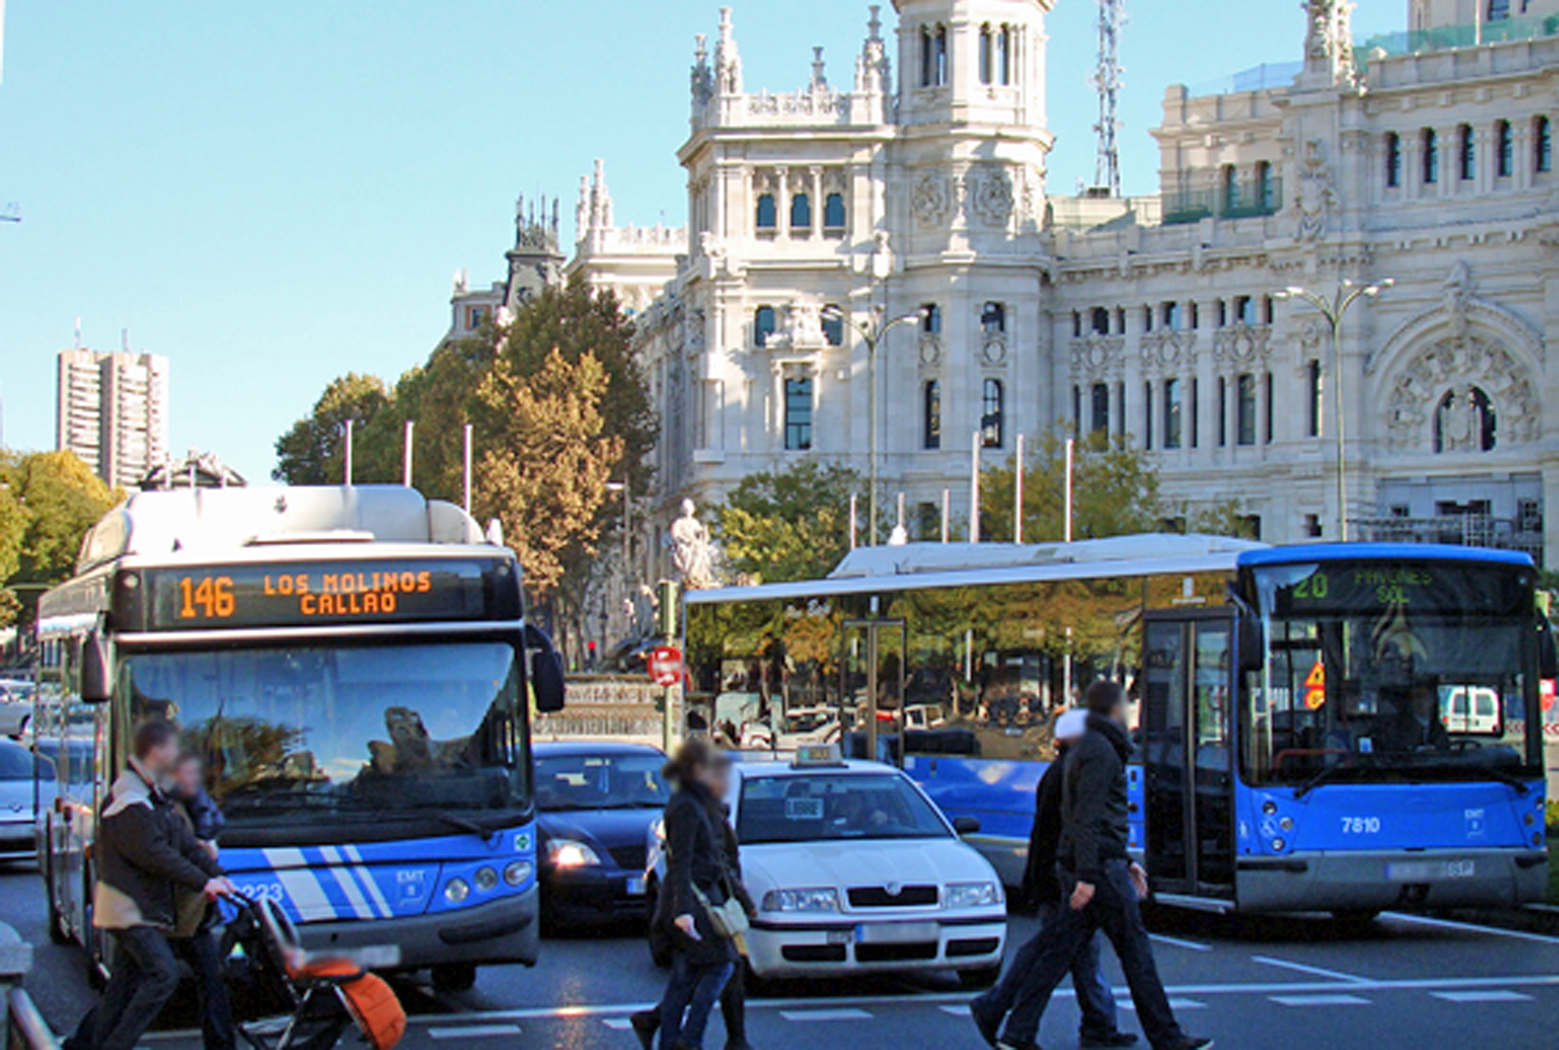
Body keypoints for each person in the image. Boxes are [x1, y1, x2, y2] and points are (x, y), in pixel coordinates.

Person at [986, 681, 1212, 1050]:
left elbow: (1085, 818)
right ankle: (1167, 1037)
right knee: (1136, 954)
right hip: (1099, 870)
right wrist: (1091, 874)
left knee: (1058, 952)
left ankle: (1015, 1030)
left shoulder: (1087, 748)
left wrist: (1119, 862)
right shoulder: (1100, 752)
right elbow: (1087, 818)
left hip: (1094, 865)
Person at [971, 709, 1135, 1049]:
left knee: (1067, 953)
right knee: (1054, 954)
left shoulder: (1061, 770)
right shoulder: (1072, 773)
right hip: (1066, 879)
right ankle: (1007, 1014)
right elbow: (1074, 829)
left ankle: (1089, 1024)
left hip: (1060, 875)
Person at [76, 721, 232, 1050]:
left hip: (156, 909)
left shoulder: (154, 798)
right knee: (162, 975)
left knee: (122, 988)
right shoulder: (128, 801)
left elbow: (186, 844)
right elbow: (154, 854)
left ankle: (94, 1044)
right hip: (132, 909)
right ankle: (115, 1045)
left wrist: (217, 874)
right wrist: (204, 880)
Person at [634, 747, 757, 1050]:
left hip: (698, 898)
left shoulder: (696, 804)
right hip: (697, 900)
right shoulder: (688, 807)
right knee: (721, 966)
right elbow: (684, 862)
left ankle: (670, 1037)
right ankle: (689, 1039)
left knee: (687, 974)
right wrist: (683, 911)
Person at [169, 753, 236, 1050]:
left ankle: (221, 1044)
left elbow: (193, 851)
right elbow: (169, 857)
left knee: (211, 979)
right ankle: (89, 1039)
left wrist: (216, 874)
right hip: (171, 911)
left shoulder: (183, 808)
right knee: (141, 984)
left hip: (189, 911)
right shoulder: (168, 811)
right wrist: (208, 874)